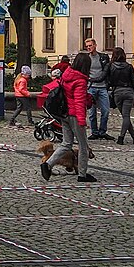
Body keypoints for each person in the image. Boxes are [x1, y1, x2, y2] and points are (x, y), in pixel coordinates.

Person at [42, 52, 96, 183]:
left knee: (66, 143)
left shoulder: (67, 74)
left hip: (64, 114)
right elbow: (79, 102)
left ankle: (48, 164)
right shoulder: (80, 80)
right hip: (74, 115)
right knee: (83, 146)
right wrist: (82, 121)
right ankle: (82, 175)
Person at [108, 46, 134, 145]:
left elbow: (109, 81)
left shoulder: (111, 66)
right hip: (129, 92)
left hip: (117, 92)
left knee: (125, 116)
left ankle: (121, 137)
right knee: (126, 116)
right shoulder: (129, 66)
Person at [83, 38, 113, 141]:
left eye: (90, 46)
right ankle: (94, 132)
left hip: (102, 86)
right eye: (87, 46)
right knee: (92, 112)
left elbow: (106, 71)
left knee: (105, 111)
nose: (88, 48)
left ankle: (102, 131)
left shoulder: (103, 57)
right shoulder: (86, 58)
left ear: (95, 45)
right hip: (91, 88)